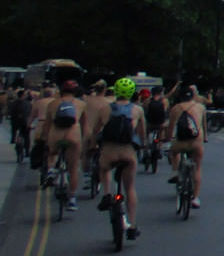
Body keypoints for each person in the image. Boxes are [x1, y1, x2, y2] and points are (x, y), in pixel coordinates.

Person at [93, 78, 146, 237]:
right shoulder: (137, 110)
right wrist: (142, 146)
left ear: (115, 91)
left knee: (104, 169)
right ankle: (132, 225)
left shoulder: (105, 109)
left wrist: (93, 144)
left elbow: (96, 131)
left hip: (109, 150)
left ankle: (107, 194)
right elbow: (142, 133)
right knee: (129, 188)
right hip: (128, 152)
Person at [42, 83, 85, 212]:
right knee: (73, 169)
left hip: (56, 135)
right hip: (73, 136)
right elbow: (85, 126)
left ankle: (51, 171)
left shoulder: (52, 104)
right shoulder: (81, 104)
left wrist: (45, 139)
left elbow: (47, 124)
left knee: (52, 153)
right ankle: (72, 199)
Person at [165, 85, 207, 207]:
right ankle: (196, 198)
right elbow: (204, 125)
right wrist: (205, 138)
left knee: (173, 152)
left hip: (181, 142)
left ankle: (175, 171)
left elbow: (170, 128)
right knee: (197, 168)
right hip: (196, 142)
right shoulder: (201, 108)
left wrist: (168, 139)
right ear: (193, 96)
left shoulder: (175, 108)